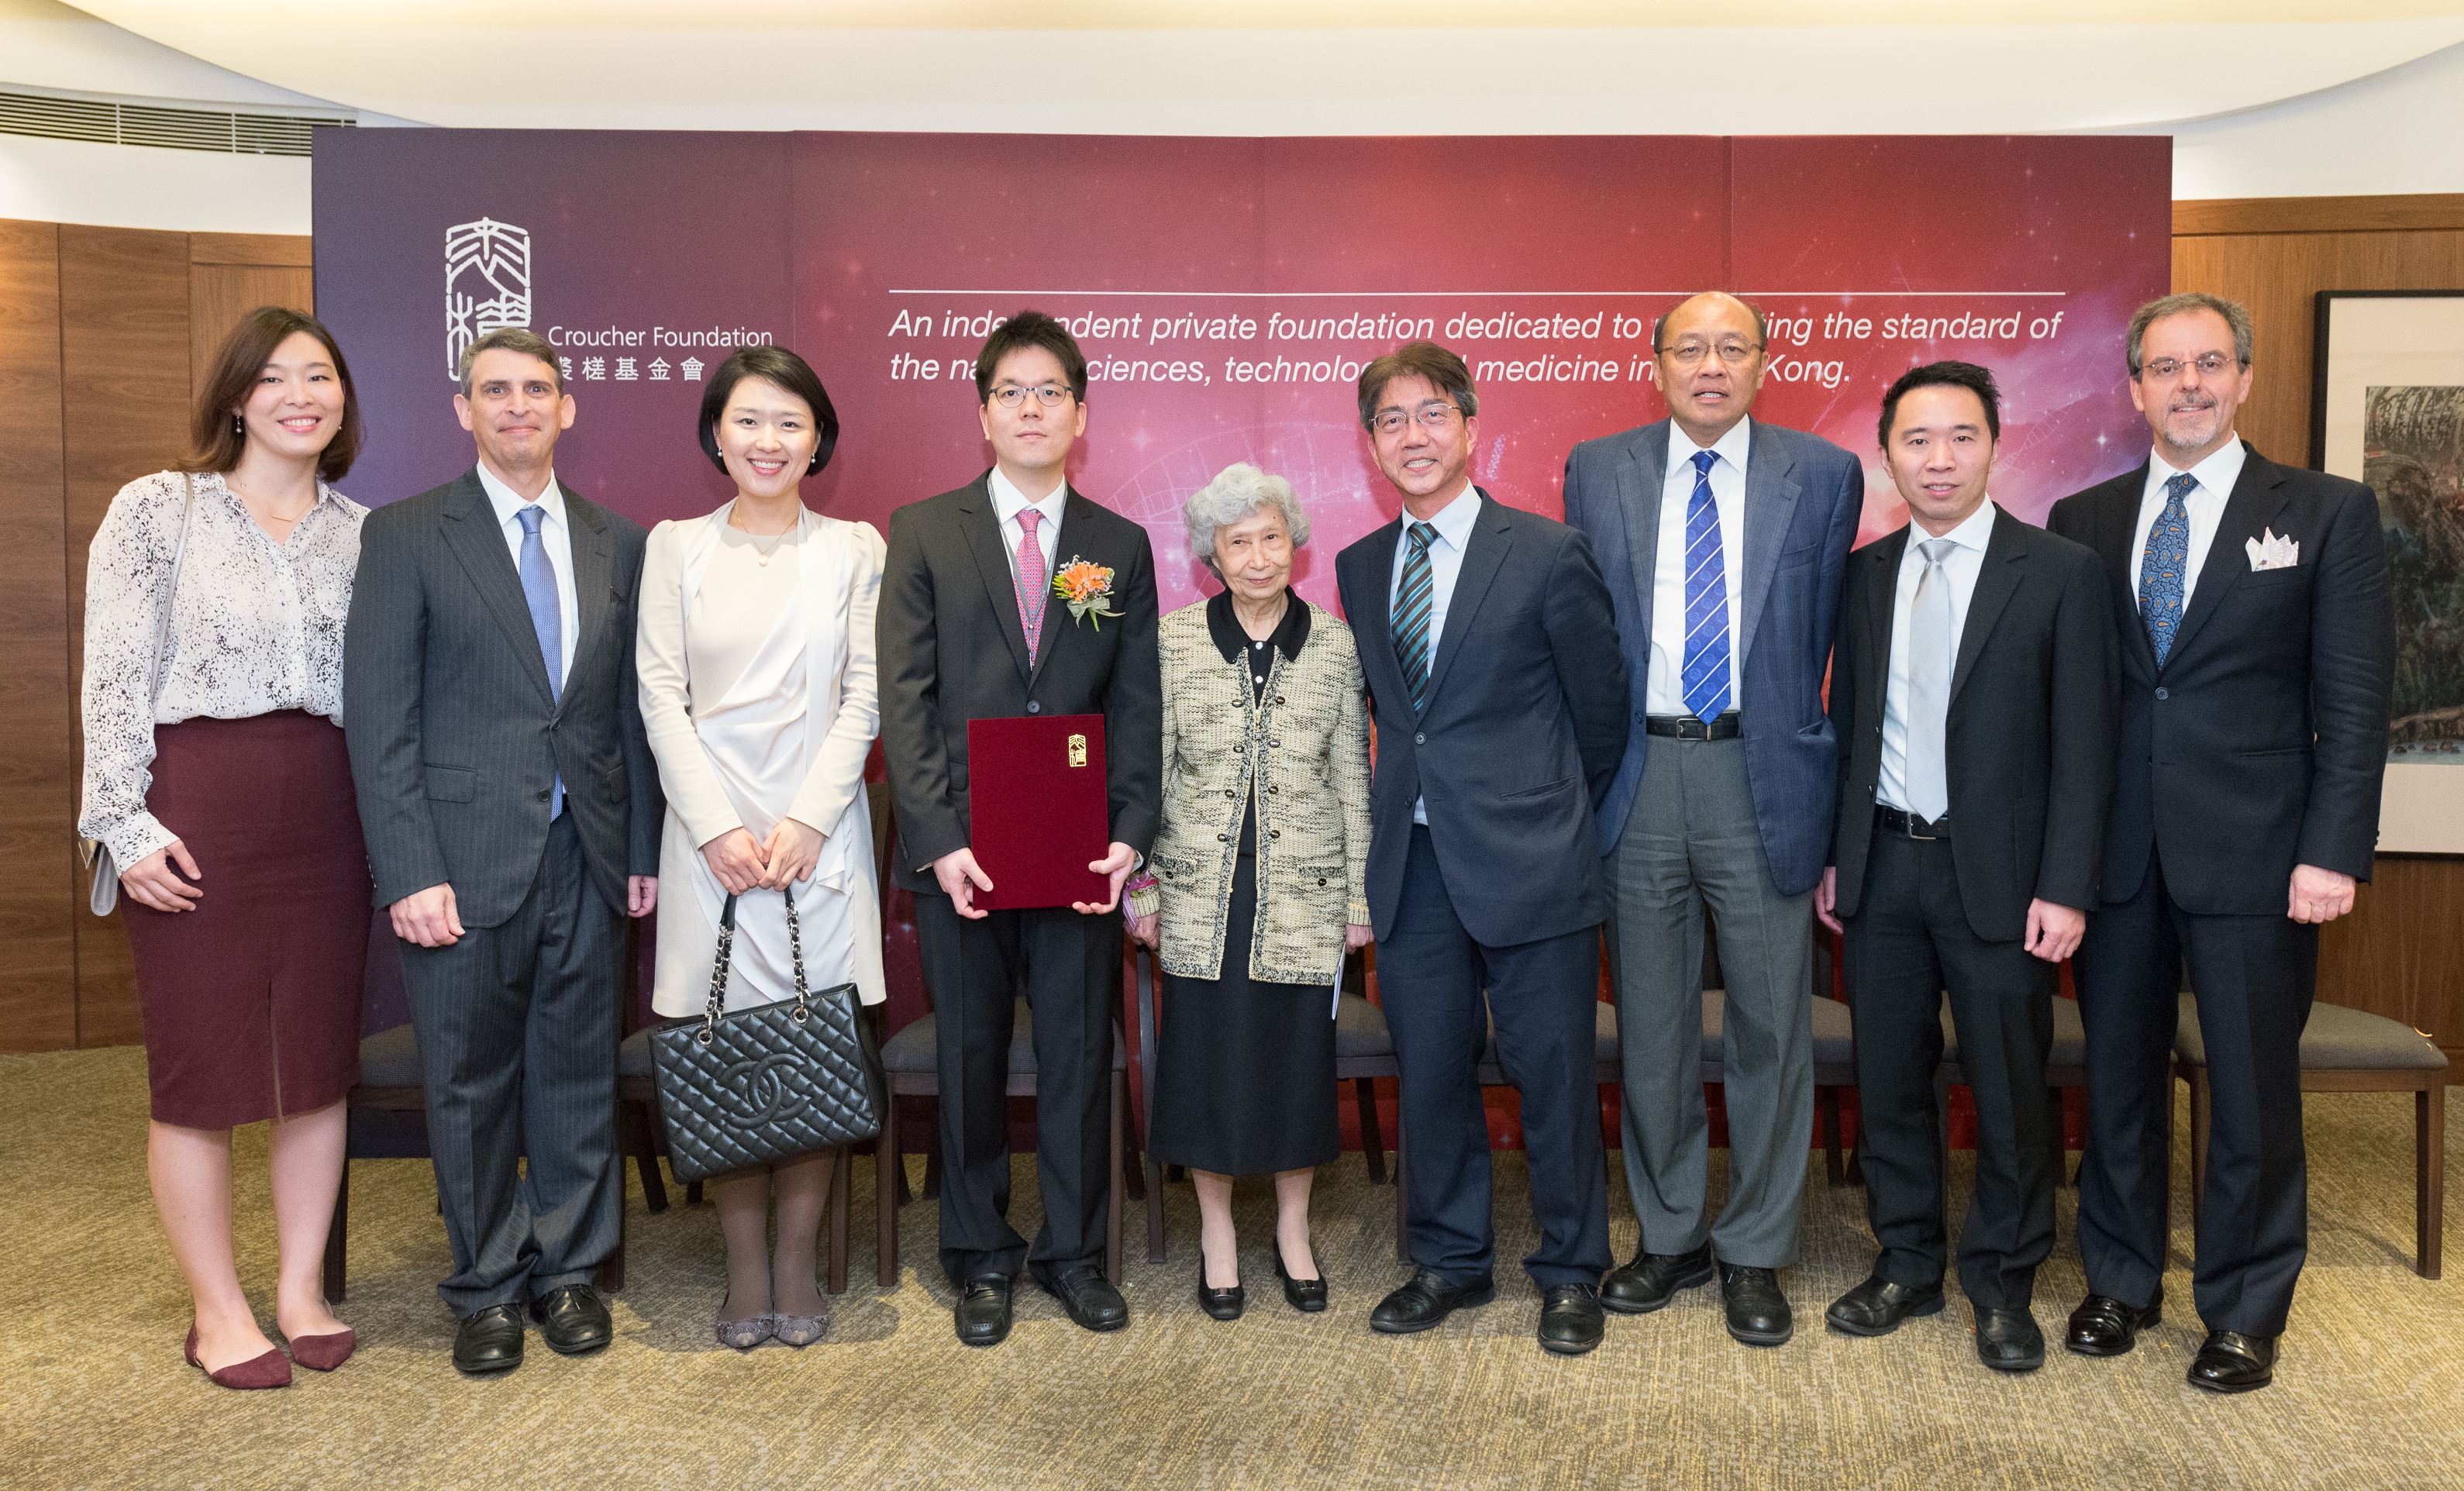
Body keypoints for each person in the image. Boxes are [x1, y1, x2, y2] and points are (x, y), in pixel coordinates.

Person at [2048, 292, 2393, 1393]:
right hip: (2115, 855)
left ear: (2242, 376)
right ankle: (2118, 1279)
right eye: (2163, 367)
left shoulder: (2325, 512)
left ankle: (2244, 1307)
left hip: (2259, 856)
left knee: (2247, 1091)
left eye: (2207, 364)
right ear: (2134, 387)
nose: (2186, 384)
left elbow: (2352, 700)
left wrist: (2330, 851)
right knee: (2116, 1079)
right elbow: (2078, 707)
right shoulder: (2083, 519)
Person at [343, 326, 662, 1376]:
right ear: (463, 410)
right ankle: (484, 1285)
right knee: (470, 1085)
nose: (517, 406)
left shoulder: (619, 539)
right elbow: (379, 722)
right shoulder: (405, 536)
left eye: (536, 389)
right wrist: (408, 871)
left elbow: (628, 715)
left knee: (575, 1075)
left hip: (589, 852)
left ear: (567, 408)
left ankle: (568, 1273)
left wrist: (640, 850)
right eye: (495, 390)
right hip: (459, 863)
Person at [1559, 291, 1863, 1347]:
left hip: (1760, 773)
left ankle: (1755, 1249)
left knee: (1771, 1026)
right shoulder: (1595, 470)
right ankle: (1674, 1232)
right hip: (1638, 776)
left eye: (1731, 347)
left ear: (1762, 363)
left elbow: (1829, 638)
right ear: (1653, 364)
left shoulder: (1820, 475)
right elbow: (1581, 634)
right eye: (1687, 347)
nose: (1708, 364)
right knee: (1648, 1024)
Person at [80, 305, 371, 1389]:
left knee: (313, 1065)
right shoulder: (163, 509)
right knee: (200, 1072)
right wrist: (124, 821)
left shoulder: (363, 531)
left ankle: (300, 1288)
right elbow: (112, 673)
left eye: (321, 377)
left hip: (328, 815)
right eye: (277, 377)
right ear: (237, 397)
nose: (302, 394)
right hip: (196, 807)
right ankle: (217, 1309)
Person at [1815, 362, 2118, 1372]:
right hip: (1882, 872)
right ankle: (1904, 1261)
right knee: (1888, 1081)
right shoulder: (1863, 573)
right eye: (1914, 440)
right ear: (1887, 452)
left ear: (1993, 445)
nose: (1935, 459)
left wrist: (2066, 883)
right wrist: (1835, 856)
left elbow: (2085, 744)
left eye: (1957, 437)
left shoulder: (2059, 572)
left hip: (2002, 880)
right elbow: (1848, 726)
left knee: (2007, 1089)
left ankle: (2000, 1280)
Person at [1333, 343, 1628, 1356]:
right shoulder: (1359, 568)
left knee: (1550, 1073)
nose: (1410, 436)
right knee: (1431, 1073)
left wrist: (1545, 814)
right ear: (1370, 445)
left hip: (1532, 858)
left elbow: (1600, 716)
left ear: (1467, 425)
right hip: (1411, 868)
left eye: (1428, 415)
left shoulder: (1546, 552)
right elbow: (1390, 718)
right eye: (1388, 420)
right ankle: (1448, 1262)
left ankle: (1569, 1270)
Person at [876, 310, 1161, 1348]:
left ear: (1079, 413)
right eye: (1011, 392)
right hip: (962, 858)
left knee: (1081, 1057)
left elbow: (1136, 705)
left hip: (1077, 853)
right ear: (982, 409)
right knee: (969, 1059)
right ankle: (978, 1258)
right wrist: (937, 837)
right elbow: (903, 698)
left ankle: (1076, 1255)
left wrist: (1127, 833)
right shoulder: (922, 529)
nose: (1031, 408)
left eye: (1051, 392)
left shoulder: (1115, 545)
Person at [636, 346, 884, 1351]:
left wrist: (808, 819)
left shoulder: (857, 548)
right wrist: (720, 829)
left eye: (788, 422)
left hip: (819, 841)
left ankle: (796, 1263)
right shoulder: (675, 547)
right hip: (710, 844)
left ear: (817, 436)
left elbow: (864, 695)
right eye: (748, 420)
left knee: (812, 1044)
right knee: (727, 1055)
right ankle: (744, 1272)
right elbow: (660, 694)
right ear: (715, 435)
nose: (767, 440)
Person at [1123, 463, 1372, 1321]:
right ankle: (1218, 1233)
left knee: (1296, 1066)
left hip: (1304, 892)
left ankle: (1293, 1231)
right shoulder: (1174, 640)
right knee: (1205, 1067)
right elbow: (1149, 772)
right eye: (1238, 542)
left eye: (1271, 537)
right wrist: (1144, 888)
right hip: (1200, 893)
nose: (1258, 557)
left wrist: (1356, 901)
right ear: (1210, 555)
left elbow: (1352, 780)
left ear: (1292, 543)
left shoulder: (1335, 643)